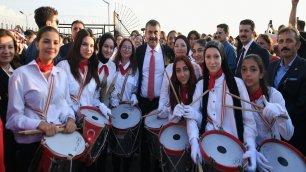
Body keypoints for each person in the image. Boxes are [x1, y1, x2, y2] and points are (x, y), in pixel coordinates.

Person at [5, 26, 76, 171]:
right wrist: (39, 124)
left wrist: (71, 118)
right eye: (46, 41)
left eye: (56, 43)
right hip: (31, 146)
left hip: (57, 141)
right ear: (37, 44)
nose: (51, 46)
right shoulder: (20, 75)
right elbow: (13, 119)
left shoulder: (61, 74)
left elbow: (67, 104)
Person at [187, 41, 257, 171]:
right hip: (208, 146)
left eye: (216, 56)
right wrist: (194, 141)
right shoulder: (201, 85)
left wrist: (251, 147)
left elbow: (249, 122)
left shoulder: (237, 84)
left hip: (234, 148)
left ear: (222, 58)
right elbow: (192, 115)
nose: (212, 61)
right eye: (208, 57)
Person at [241, 54, 294, 171]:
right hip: (249, 154)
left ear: (261, 74)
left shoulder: (273, 95)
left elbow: (288, 135)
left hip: (274, 154)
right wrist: (251, 149)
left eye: (253, 69)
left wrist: (280, 113)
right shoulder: (238, 98)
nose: (247, 74)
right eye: (244, 70)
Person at [135, 19, 174, 172]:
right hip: (142, 102)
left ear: (160, 34)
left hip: (161, 103)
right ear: (145, 33)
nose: (152, 35)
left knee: (159, 140)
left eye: (155, 32)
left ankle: (159, 168)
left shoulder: (167, 52)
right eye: (149, 32)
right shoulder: (139, 51)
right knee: (144, 140)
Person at [268, 26, 306, 155]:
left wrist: (278, 115)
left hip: (295, 133)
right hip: (272, 130)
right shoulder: (272, 66)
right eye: (281, 41)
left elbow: (302, 105)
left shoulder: (304, 68)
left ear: (298, 44)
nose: (284, 45)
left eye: (289, 41)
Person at [110, 38, 139, 172]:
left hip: (128, 109)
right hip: (114, 108)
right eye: (124, 47)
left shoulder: (135, 69)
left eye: (129, 47)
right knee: (115, 143)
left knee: (127, 142)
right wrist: (112, 100)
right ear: (120, 48)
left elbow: (135, 89)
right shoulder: (112, 66)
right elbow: (107, 87)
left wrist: (134, 97)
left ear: (132, 51)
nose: (126, 49)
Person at [157, 35, 202, 119]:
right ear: (173, 49)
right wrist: (161, 107)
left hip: (192, 112)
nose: (179, 48)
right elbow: (164, 92)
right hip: (175, 111)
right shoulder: (169, 68)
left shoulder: (195, 67)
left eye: (183, 45)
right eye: (176, 46)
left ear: (187, 48)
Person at [0, 29, 19, 172]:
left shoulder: (20, 69)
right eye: (1, 47)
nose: (6, 51)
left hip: (22, 131)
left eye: (10, 47)